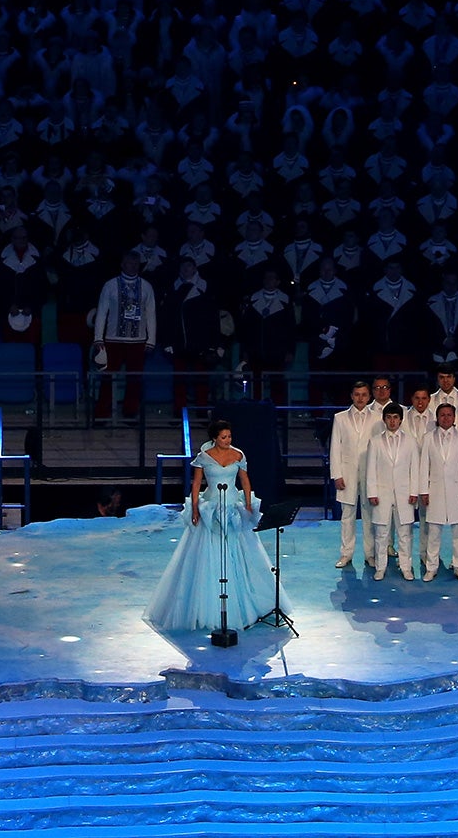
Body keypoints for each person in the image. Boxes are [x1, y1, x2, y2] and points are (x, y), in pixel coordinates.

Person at [144, 420, 283, 632]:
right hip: (212, 509)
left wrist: (247, 503)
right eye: (224, 437)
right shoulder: (204, 458)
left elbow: (245, 480)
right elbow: (196, 484)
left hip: (232, 508)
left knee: (239, 553)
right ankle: (208, 605)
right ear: (215, 438)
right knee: (207, 555)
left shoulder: (238, 455)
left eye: (230, 436)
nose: (228, 440)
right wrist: (197, 509)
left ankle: (243, 601)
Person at [93, 250, 158, 424]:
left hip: (137, 341)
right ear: (122, 264)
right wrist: (98, 338)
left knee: (135, 379)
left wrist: (151, 339)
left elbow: (151, 314)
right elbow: (101, 312)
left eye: (136, 263)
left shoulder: (146, 286)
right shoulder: (110, 285)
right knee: (107, 377)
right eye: (129, 263)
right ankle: (101, 413)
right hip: (113, 339)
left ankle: (130, 412)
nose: (132, 266)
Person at [362, 403, 422, 581]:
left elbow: (414, 469)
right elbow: (371, 469)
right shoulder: (375, 441)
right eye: (389, 417)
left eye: (396, 417)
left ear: (401, 420)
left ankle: (406, 567)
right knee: (381, 533)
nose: (392, 421)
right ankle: (380, 567)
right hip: (382, 494)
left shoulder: (410, 442)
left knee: (405, 533)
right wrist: (372, 492)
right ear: (384, 419)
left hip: (404, 495)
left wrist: (414, 492)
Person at [417, 402, 458, 582]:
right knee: (433, 532)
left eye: (449, 415)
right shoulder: (428, 438)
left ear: (454, 417)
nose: (446, 418)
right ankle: (431, 567)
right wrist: (423, 491)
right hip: (435, 491)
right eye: (442, 415)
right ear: (437, 417)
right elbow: (424, 466)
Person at [328, 380, 376, 570]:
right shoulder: (340, 418)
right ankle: (346, 554)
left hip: (369, 474)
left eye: (364, 395)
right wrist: (337, 475)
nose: (360, 398)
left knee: (369, 515)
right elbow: (335, 448)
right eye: (357, 394)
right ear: (351, 396)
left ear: (369, 396)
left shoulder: (377, 418)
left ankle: (370, 554)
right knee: (347, 516)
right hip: (347, 474)